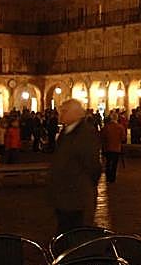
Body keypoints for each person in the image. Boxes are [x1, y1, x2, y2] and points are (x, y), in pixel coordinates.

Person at [48, 99, 102, 232]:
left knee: (76, 231)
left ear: (75, 113)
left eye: (64, 111)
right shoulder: (66, 132)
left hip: (77, 195)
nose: (60, 114)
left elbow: (92, 164)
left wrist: (85, 183)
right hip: (63, 194)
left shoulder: (85, 133)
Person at [101, 113, 126, 183]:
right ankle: (113, 178)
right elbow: (123, 138)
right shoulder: (120, 127)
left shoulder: (106, 127)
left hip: (108, 147)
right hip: (117, 148)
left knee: (108, 162)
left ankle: (108, 177)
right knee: (115, 163)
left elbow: (102, 137)